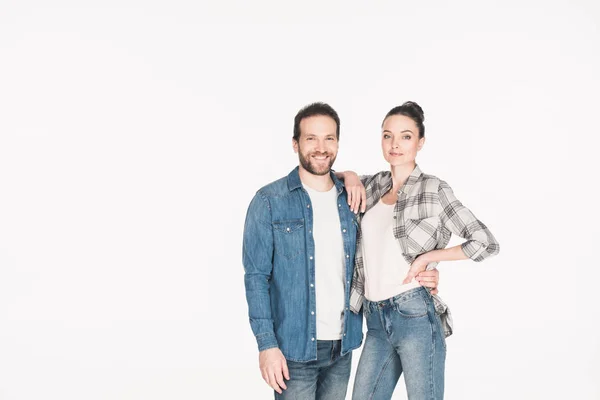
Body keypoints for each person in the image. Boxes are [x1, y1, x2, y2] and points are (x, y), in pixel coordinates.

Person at [242, 102, 442, 399]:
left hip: (342, 347)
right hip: (293, 351)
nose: (321, 147)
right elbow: (257, 278)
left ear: (337, 143)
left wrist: (427, 266)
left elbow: (382, 245)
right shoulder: (270, 201)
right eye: (311, 138)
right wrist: (266, 346)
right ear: (295, 143)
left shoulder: (352, 199)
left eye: (329, 138)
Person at [342, 101, 500, 400]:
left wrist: (430, 257)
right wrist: (350, 174)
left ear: (420, 142)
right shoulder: (373, 186)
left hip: (414, 315)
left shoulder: (433, 189)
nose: (394, 144)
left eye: (405, 136)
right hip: (375, 321)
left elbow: (485, 242)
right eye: (387, 135)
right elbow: (328, 178)